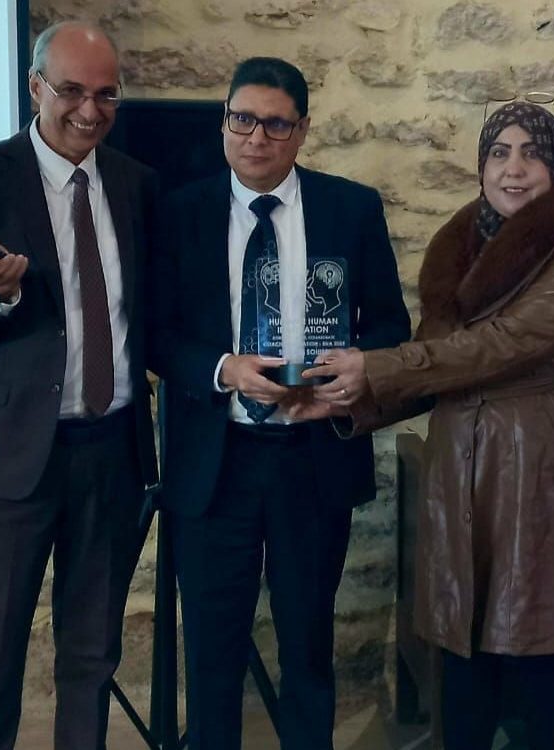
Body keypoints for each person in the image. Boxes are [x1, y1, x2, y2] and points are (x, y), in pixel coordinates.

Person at [303, 100, 554, 750]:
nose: (514, 168)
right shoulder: (460, 252)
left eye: (532, 154)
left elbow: (505, 344)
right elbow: (438, 363)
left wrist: (376, 366)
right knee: (462, 662)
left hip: (537, 468)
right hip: (457, 466)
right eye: (499, 152)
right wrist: (349, 400)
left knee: (541, 659)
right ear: (480, 166)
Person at [146, 57, 410, 749]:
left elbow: (391, 326)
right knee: (211, 654)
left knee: (308, 647)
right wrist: (223, 369)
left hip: (311, 456)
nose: (255, 138)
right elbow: (156, 333)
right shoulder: (181, 211)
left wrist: (356, 371)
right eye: (241, 120)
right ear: (223, 122)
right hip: (217, 461)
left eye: (274, 124)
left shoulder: (351, 208)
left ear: (302, 130)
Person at [0, 21, 158, 750]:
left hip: (111, 455)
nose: (90, 110)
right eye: (72, 91)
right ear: (35, 87)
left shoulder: (138, 184)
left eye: (106, 95)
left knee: (92, 658)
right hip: (5, 461)